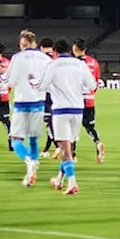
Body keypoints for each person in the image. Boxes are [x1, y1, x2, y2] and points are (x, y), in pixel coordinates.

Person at [39, 39, 97, 195]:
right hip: (78, 109)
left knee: (64, 149)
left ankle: (72, 183)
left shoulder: (53, 65)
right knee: (68, 147)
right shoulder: (80, 64)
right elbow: (92, 86)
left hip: (61, 110)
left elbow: (43, 86)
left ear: (56, 52)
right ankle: (59, 179)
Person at [8, 30, 52, 186]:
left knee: (16, 139)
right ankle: (32, 170)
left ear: (22, 44)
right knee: (33, 138)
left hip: (21, 103)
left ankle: (28, 161)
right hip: (38, 103)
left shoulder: (17, 58)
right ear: (35, 43)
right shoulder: (46, 59)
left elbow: (10, 82)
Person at [72, 39, 105, 163]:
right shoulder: (94, 62)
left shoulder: (73, 63)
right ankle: (97, 143)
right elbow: (95, 82)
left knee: (72, 128)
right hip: (90, 100)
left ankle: (73, 154)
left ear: (75, 48)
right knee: (90, 127)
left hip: (76, 100)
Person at [39, 37, 59, 158]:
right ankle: (47, 148)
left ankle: (58, 146)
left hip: (46, 93)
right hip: (58, 94)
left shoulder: (41, 59)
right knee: (54, 122)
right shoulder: (56, 58)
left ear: (41, 47)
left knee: (48, 123)